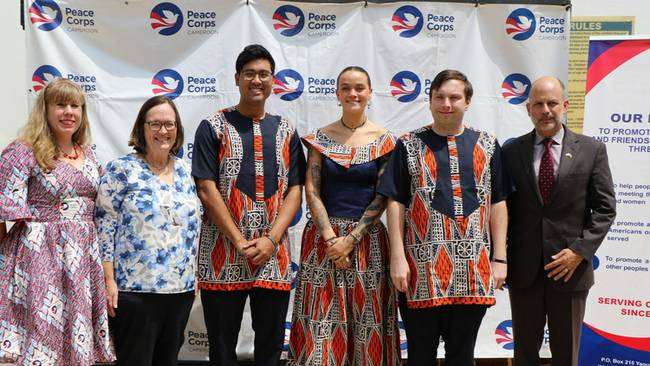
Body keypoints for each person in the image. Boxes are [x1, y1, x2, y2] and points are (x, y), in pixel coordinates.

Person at [377, 69, 512, 365]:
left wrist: (499, 258)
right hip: (420, 269)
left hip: (473, 269)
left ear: (468, 101)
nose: (446, 104)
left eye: (454, 97)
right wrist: (397, 256)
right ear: (430, 101)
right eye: (439, 97)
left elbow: (499, 202)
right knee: (420, 355)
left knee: (462, 356)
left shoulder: (487, 145)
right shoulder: (408, 145)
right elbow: (396, 201)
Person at [192, 44, 306, 366]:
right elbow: (206, 187)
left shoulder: (286, 131)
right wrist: (239, 241)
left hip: (273, 254)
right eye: (250, 74)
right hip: (222, 253)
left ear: (273, 81)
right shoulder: (213, 126)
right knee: (222, 348)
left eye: (264, 74)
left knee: (270, 347)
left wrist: (270, 240)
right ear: (238, 79)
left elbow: (296, 189)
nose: (257, 80)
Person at [288, 66, 401, 366]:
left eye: (360, 87)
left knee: (368, 325)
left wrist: (350, 240)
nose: (353, 93)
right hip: (323, 243)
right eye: (346, 88)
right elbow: (312, 191)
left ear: (370, 93)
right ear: (337, 94)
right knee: (320, 326)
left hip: (368, 243)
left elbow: (383, 194)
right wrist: (331, 239)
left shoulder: (385, 141)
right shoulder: (321, 138)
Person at [503, 76, 616, 366]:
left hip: (570, 271)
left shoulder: (592, 150)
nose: (546, 110)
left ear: (564, 105)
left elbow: (605, 209)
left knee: (566, 355)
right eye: (538, 104)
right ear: (528, 108)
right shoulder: (510, 152)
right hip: (525, 272)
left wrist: (579, 251)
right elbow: (502, 209)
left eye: (552, 103)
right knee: (524, 354)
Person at [0, 78, 114, 365]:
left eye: (75, 106)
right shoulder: (23, 151)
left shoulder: (89, 155)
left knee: (77, 343)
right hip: (39, 256)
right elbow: (1, 209)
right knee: (41, 340)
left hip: (83, 258)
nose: (69, 112)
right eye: (60, 104)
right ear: (45, 110)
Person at [95, 96, 200, 366]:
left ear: (177, 129)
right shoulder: (121, 170)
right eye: (155, 124)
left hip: (180, 292)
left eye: (169, 124)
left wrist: (194, 273)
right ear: (142, 128)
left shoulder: (186, 172)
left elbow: (192, 227)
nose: (162, 131)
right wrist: (108, 280)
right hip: (135, 291)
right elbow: (105, 225)